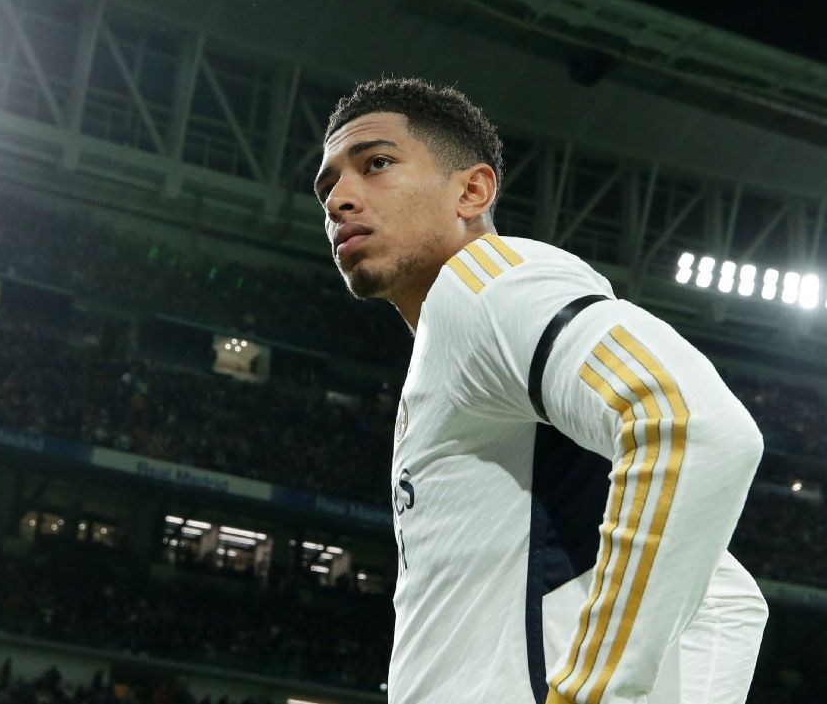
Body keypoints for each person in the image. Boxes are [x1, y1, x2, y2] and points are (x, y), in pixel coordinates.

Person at [314, 78, 767, 704]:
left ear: (472, 191)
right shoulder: (456, 353)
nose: (339, 198)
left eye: (376, 164)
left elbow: (687, 421)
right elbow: (723, 599)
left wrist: (596, 693)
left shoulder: (483, 286)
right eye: (327, 185)